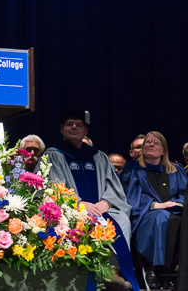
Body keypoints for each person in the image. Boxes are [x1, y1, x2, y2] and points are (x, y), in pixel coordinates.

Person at [42, 109, 138, 291]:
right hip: (71, 208)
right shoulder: (52, 155)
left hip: (101, 208)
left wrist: (107, 202)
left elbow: (114, 187)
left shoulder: (99, 156)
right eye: (69, 124)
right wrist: (77, 203)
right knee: (74, 220)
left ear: (86, 131)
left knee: (121, 219)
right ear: (61, 129)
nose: (74, 127)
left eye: (79, 124)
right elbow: (52, 186)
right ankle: (93, 274)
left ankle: (114, 271)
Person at [123, 131, 185, 290]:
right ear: (143, 149)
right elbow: (130, 195)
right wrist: (153, 205)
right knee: (161, 217)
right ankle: (154, 268)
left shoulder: (176, 169)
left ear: (163, 150)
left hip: (175, 211)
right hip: (145, 214)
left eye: (156, 142)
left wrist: (176, 203)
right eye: (148, 142)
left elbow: (184, 193)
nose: (151, 144)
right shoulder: (133, 169)